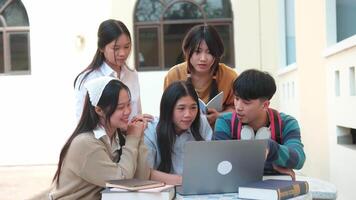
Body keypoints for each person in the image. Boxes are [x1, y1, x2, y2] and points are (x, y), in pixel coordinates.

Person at [50, 77, 150, 199]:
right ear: (99, 110)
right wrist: (132, 138)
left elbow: (141, 178)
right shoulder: (85, 143)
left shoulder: (117, 136)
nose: (128, 111)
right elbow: (122, 181)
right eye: (120, 107)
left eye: (129, 104)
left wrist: (139, 137)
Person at [214, 69, 306, 178]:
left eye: (246, 102)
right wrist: (272, 166)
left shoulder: (287, 123)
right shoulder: (224, 122)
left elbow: (298, 159)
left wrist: (270, 148)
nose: (238, 107)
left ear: (265, 105)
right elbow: (220, 161)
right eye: (236, 99)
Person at [164, 24, 238, 126]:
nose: (203, 58)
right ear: (187, 51)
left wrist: (220, 116)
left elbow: (238, 108)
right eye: (197, 51)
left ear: (217, 53)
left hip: (219, 132)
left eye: (209, 52)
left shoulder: (229, 76)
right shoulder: (174, 74)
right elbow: (167, 110)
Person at [74, 19, 144, 121]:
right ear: (101, 47)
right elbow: (82, 121)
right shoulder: (89, 79)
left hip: (132, 136)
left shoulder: (132, 74)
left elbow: (137, 113)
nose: (123, 53)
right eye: (116, 48)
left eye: (127, 47)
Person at [144, 81, 212, 185]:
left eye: (193, 107)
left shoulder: (201, 123)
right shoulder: (151, 130)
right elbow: (146, 173)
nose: (188, 114)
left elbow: (210, 163)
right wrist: (186, 181)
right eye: (181, 108)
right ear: (168, 109)